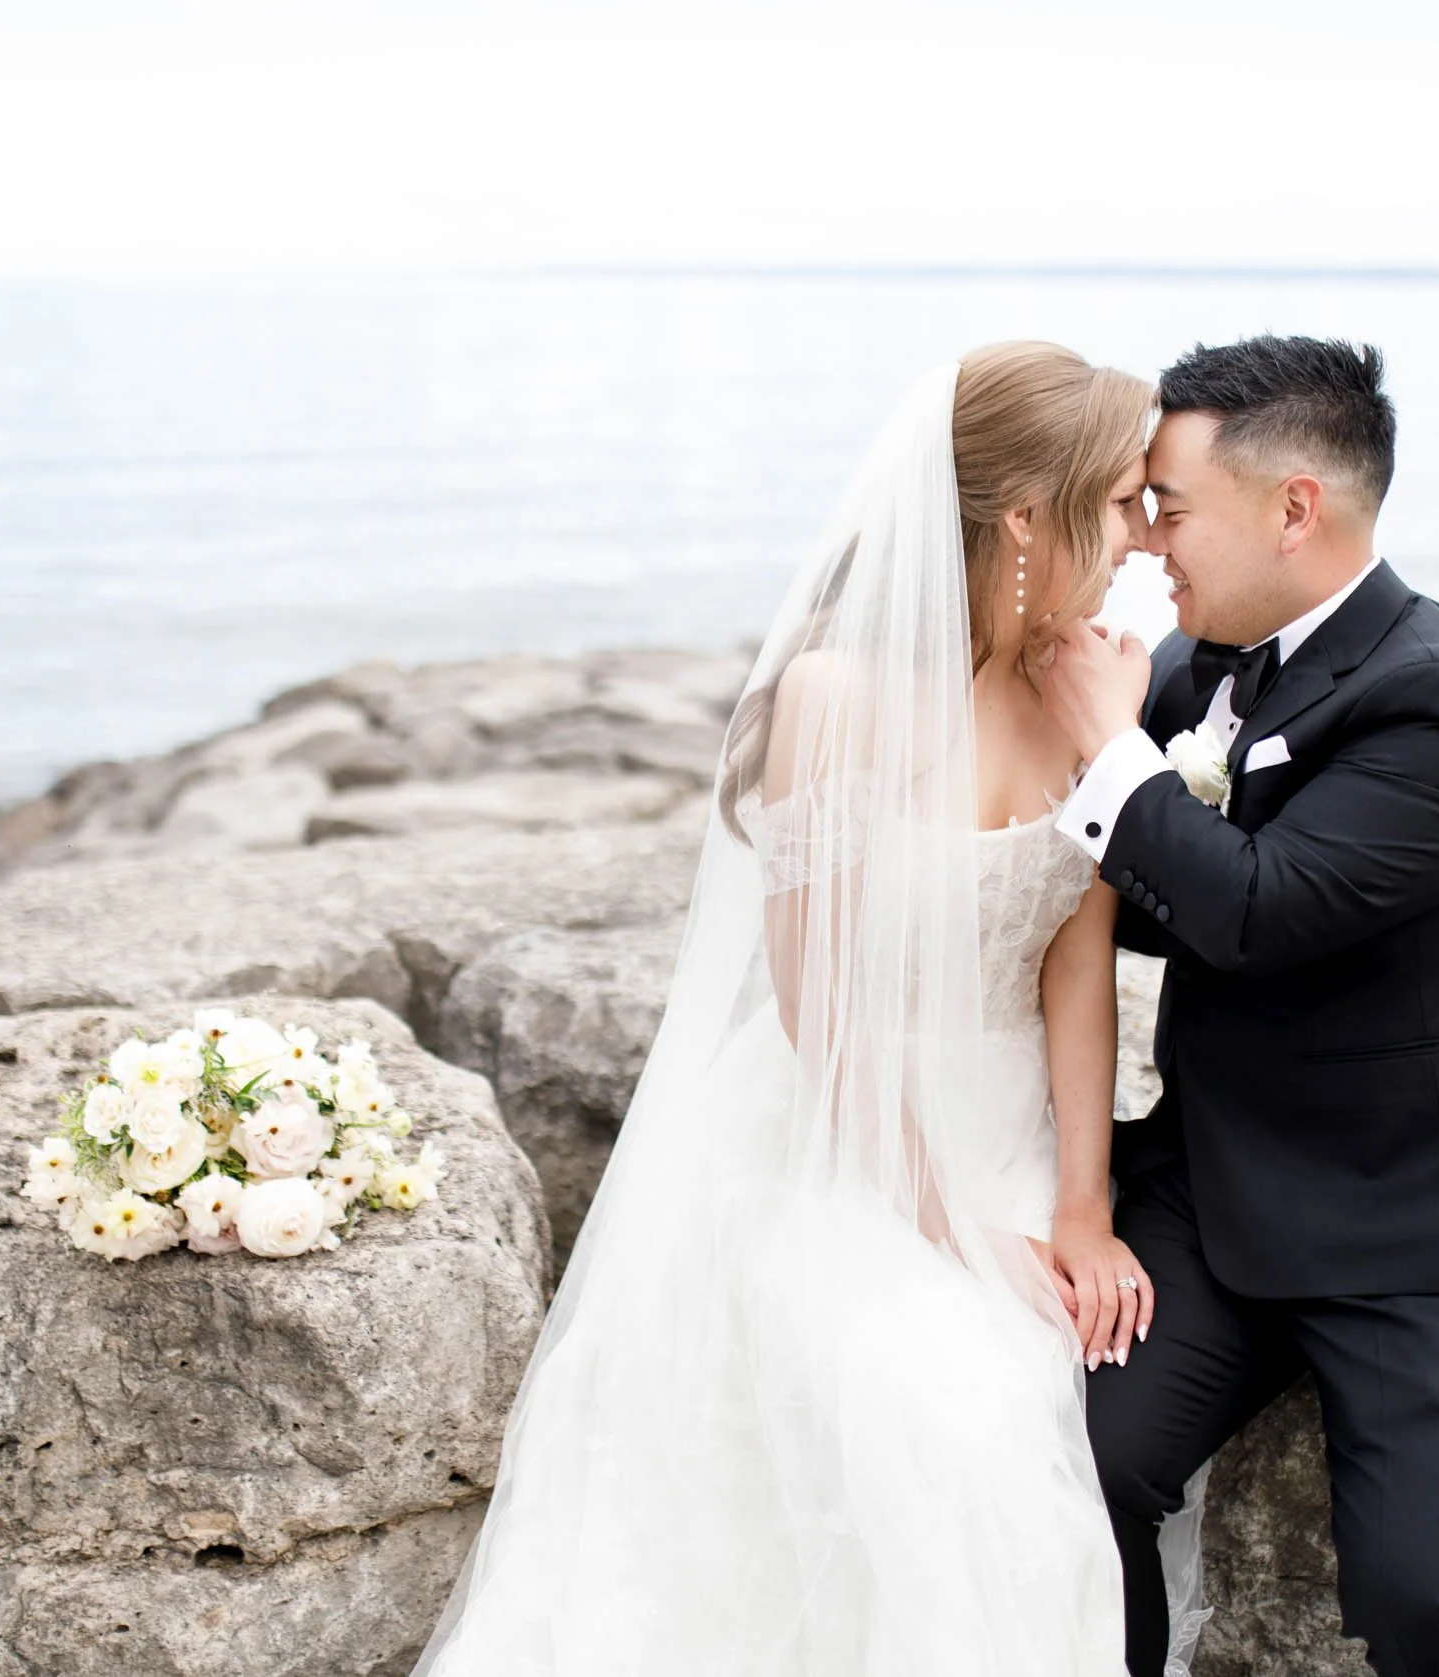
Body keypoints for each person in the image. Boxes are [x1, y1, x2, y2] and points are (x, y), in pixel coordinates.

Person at [413, 343, 1216, 1676]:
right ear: (1029, 513)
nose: (1145, 539)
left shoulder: (1083, 685)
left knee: (1072, 1399)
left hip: (1016, 1124)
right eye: (1126, 503)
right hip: (844, 1140)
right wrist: (960, 1232)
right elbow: (819, 1011)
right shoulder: (839, 697)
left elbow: (1076, 967)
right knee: (949, 1409)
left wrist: (1079, 1211)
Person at [1041, 335, 1439, 1677]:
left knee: (1420, 1599)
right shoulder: (1203, 666)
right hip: (1212, 1192)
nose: (1149, 540)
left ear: (1293, 507)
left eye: (1171, 505)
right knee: (1072, 1468)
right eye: (1138, 506)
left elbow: (1257, 911)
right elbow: (1134, 883)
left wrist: (1109, 754)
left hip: (1407, 1222)